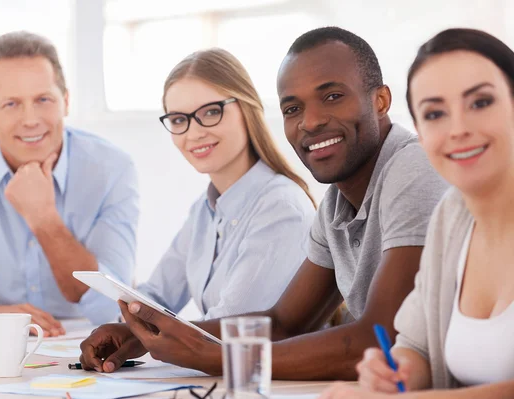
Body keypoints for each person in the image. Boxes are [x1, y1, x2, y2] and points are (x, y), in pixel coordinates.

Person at [79, 27, 448, 379]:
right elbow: (282, 323)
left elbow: (379, 339)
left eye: (332, 96)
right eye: (292, 109)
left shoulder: (414, 167)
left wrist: (215, 356)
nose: (311, 121)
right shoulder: (336, 200)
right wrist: (145, 337)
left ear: (381, 100)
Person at [321, 28, 514, 398]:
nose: (458, 129)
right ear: (421, 134)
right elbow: (417, 344)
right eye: (435, 113)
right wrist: (399, 372)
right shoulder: (452, 217)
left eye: (480, 103)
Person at [0, 31, 139, 336]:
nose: (30, 119)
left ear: (66, 102)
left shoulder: (112, 169)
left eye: (43, 99)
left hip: (84, 342)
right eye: (11, 104)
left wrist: (43, 218)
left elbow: (111, 306)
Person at [136, 48, 315, 321]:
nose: (194, 133)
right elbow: (154, 296)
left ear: (247, 109)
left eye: (210, 112)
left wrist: (145, 331)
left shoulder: (281, 208)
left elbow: (228, 328)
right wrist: (126, 326)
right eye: (179, 120)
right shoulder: (204, 210)